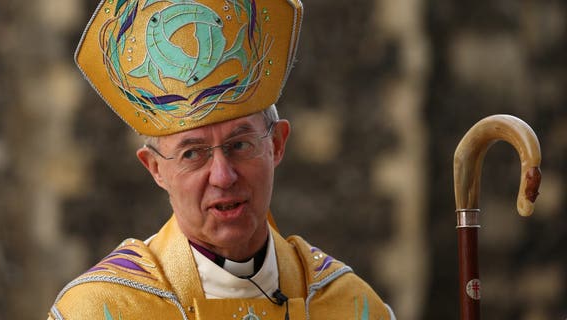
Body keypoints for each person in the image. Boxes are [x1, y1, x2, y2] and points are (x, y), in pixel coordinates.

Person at [48, 0, 396, 319]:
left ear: (276, 144)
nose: (223, 176)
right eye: (193, 153)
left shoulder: (349, 305)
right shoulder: (99, 310)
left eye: (240, 145)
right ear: (155, 168)